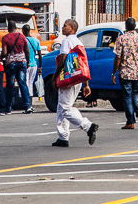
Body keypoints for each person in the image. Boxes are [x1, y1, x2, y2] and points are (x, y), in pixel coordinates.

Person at [51, 19, 98, 147]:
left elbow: (62, 60)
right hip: (77, 78)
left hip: (67, 78)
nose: (62, 27)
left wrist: (55, 77)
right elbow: (84, 64)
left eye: (65, 26)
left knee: (65, 108)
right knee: (63, 107)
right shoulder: (78, 42)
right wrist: (86, 84)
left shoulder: (67, 41)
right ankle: (63, 137)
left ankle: (87, 126)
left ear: (72, 28)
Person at [112, 17, 138, 130]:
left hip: (125, 72)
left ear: (126, 26)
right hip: (137, 72)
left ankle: (130, 121)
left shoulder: (121, 39)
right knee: (135, 94)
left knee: (127, 96)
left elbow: (118, 57)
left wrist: (113, 73)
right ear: (135, 26)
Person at [1, 19, 32, 114]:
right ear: (16, 27)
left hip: (11, 63)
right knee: (22, 84)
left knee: (10, 85)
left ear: (8, 28)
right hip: (22, 62)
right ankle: (27, 106)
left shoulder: (5, 37)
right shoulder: (22, 36)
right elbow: (27, 51)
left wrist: (0, 57)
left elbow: (5, 52)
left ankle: (8, 108)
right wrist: (27, 62)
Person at [22, 23, 42, 102]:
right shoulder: (36, 40)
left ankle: (27, 103)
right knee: (30, 83)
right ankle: (30, 103)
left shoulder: (23, 40)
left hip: (25, 65)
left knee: (25, 84)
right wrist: (40, 67)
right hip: (34, 65)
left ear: (23, 31)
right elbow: (40, 55)